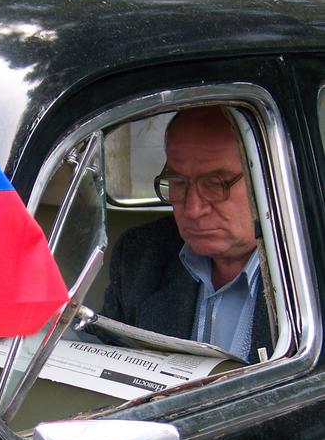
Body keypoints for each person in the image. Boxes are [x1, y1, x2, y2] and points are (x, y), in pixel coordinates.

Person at [103, 106, 272, 364]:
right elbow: (106, 360)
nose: (193, 209)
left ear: (267, 178)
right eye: (179, 183)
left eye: (216, 184)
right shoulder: (141, 256)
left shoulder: (310, 271)